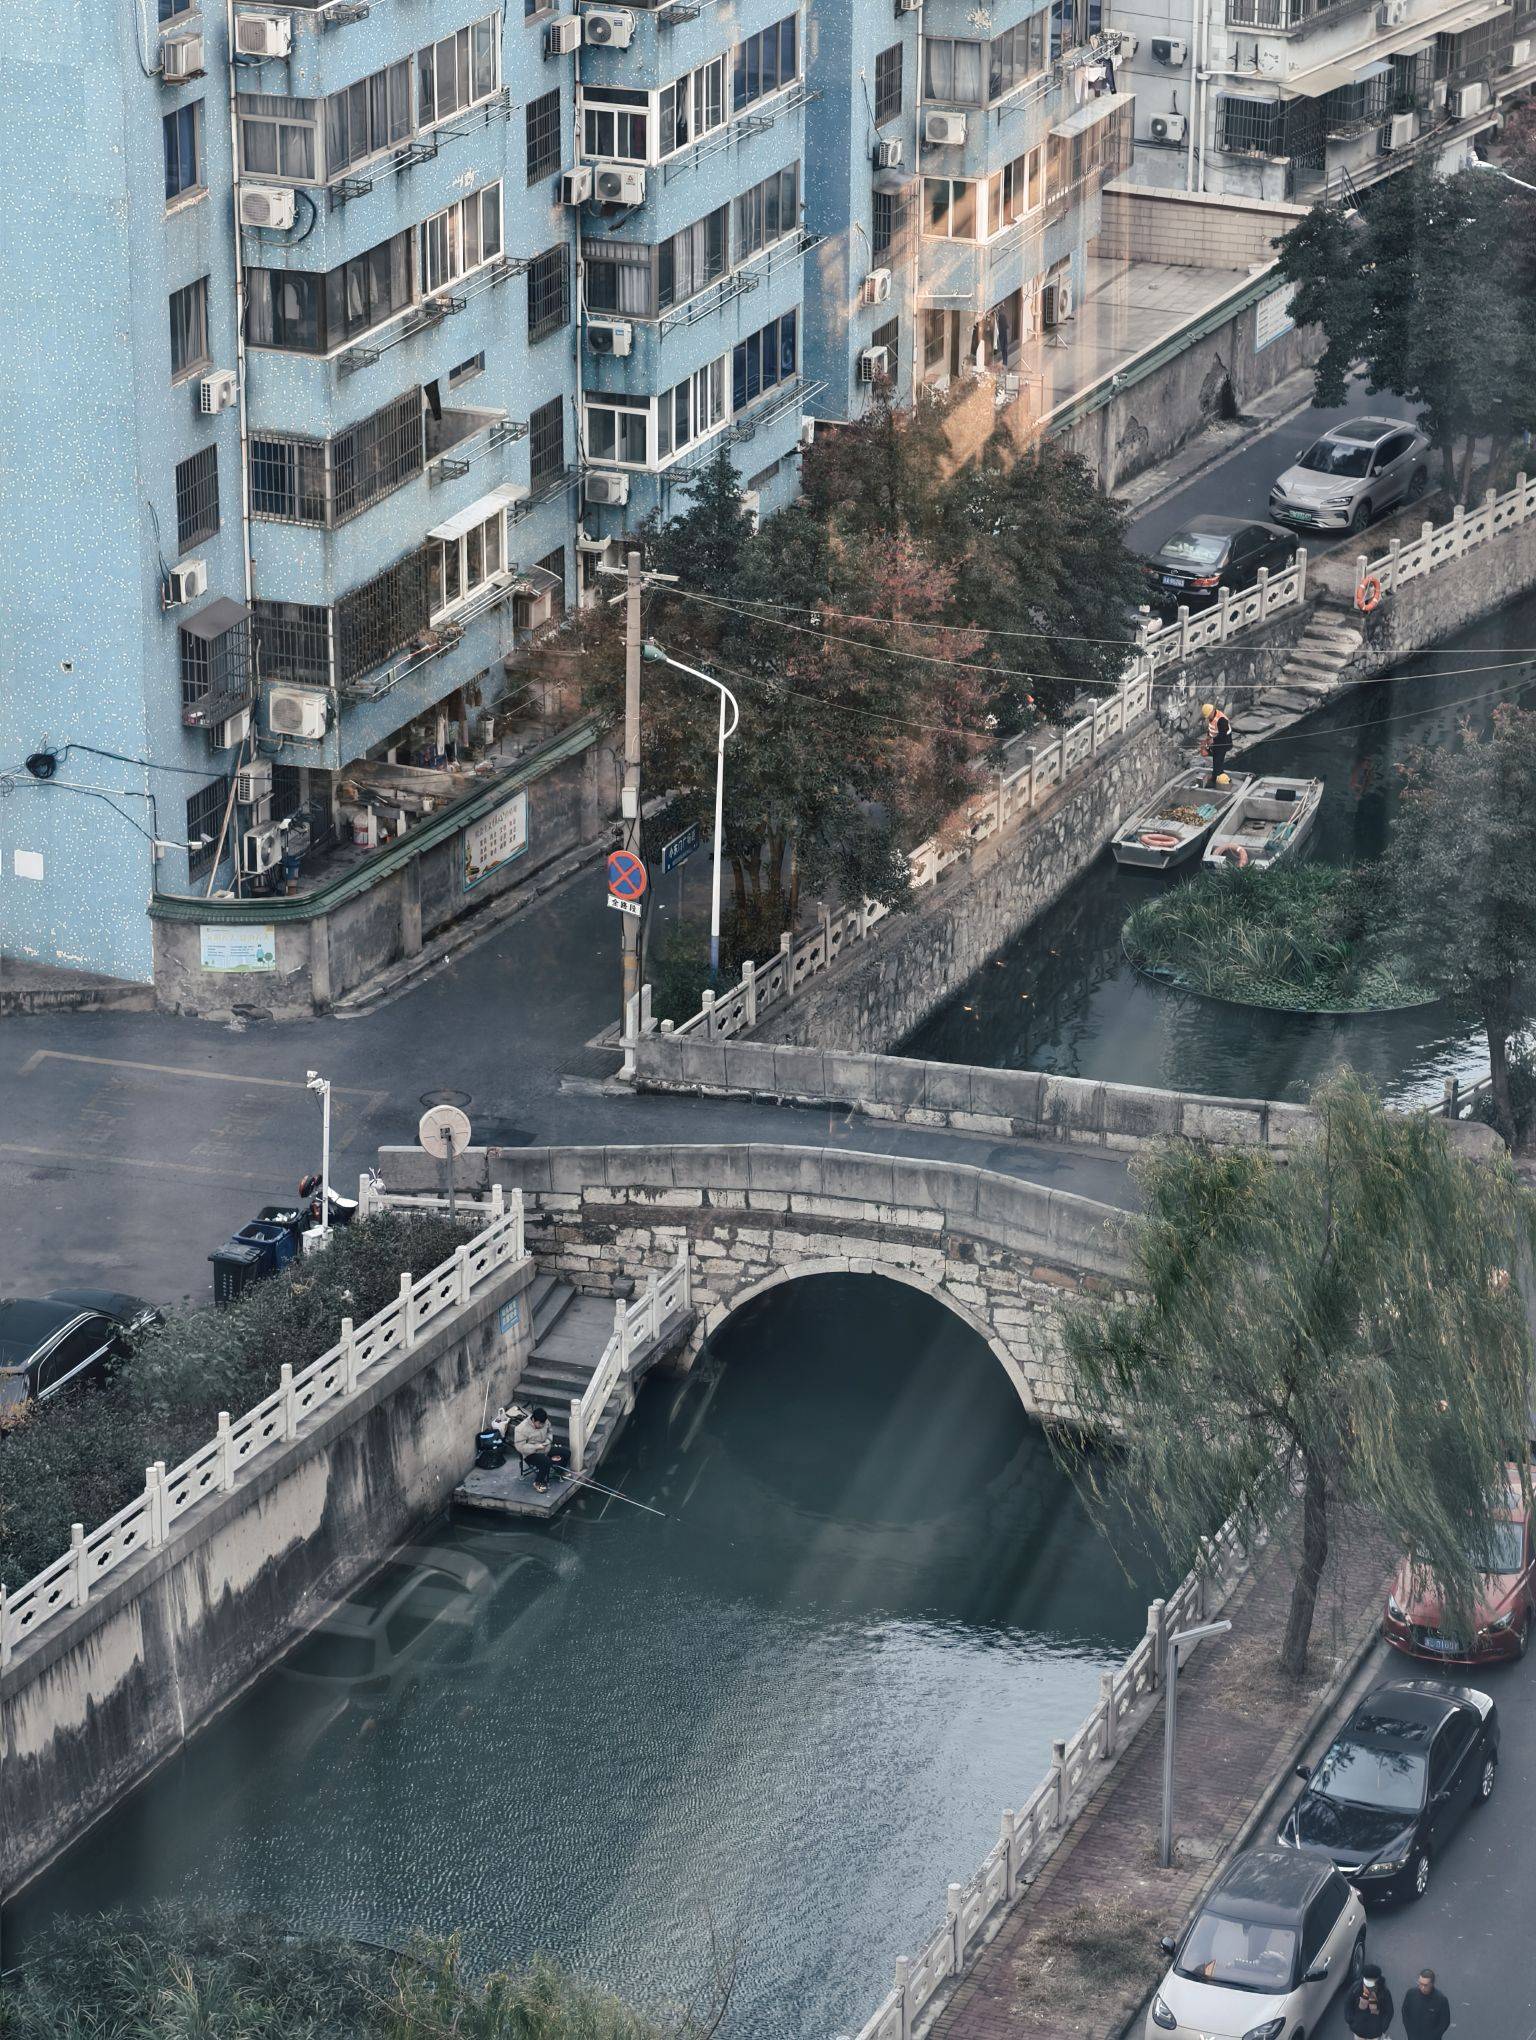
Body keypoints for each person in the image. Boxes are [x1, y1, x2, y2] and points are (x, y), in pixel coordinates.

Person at [1345, 1963, 1395, 2038]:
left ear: (1377, 1979)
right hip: (1358, 2030)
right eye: (1367, 1980)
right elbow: (1348, 2004)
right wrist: (1351, 2021)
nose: (1368, 1984)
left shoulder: (1384, 1992)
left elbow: (1389, 2011)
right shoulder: (1356, 1988)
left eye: (1371, 1981)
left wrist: (1382, 2028)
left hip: (1374, 2033)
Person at [514, 1405, 556, 1492]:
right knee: (546, 1461)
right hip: (530, 1454)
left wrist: (548, 1441)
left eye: (543, 1424)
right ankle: (538, 1482)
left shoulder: (545, 1421)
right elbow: (520, 1447)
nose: (541, 1425)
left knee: (566, 1453)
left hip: (545, 1448)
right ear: (533, 1420)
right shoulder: (521, 1428)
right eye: (539, 1423)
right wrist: (536, 1447)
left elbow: (550, 1432)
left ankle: (559, 1472)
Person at [1402, 1969, 1451, 2040]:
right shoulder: (1411, 1994)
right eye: (1420, 1983)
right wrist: (1410, 2032)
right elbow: (1405, 2013)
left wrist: (1433, 2037)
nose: (1422, 1987)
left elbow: (1445, 2022)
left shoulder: (1441, 1999)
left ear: (1432, 1984)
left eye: (1425, 1985)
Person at [1200, 702, 1233, 788]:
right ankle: (1215, 776)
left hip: (1224, 743)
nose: (1208, 718)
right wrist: (1208, 737)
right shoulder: (1212, 717)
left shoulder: (1222, 719)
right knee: (1216, 760)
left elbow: (1223, 734)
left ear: (1212, 711)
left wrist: (1213, 740)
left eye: (1208, 716)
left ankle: (1218, 779)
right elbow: (1211, 727)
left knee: (1218, 761)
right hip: (1217, 743)